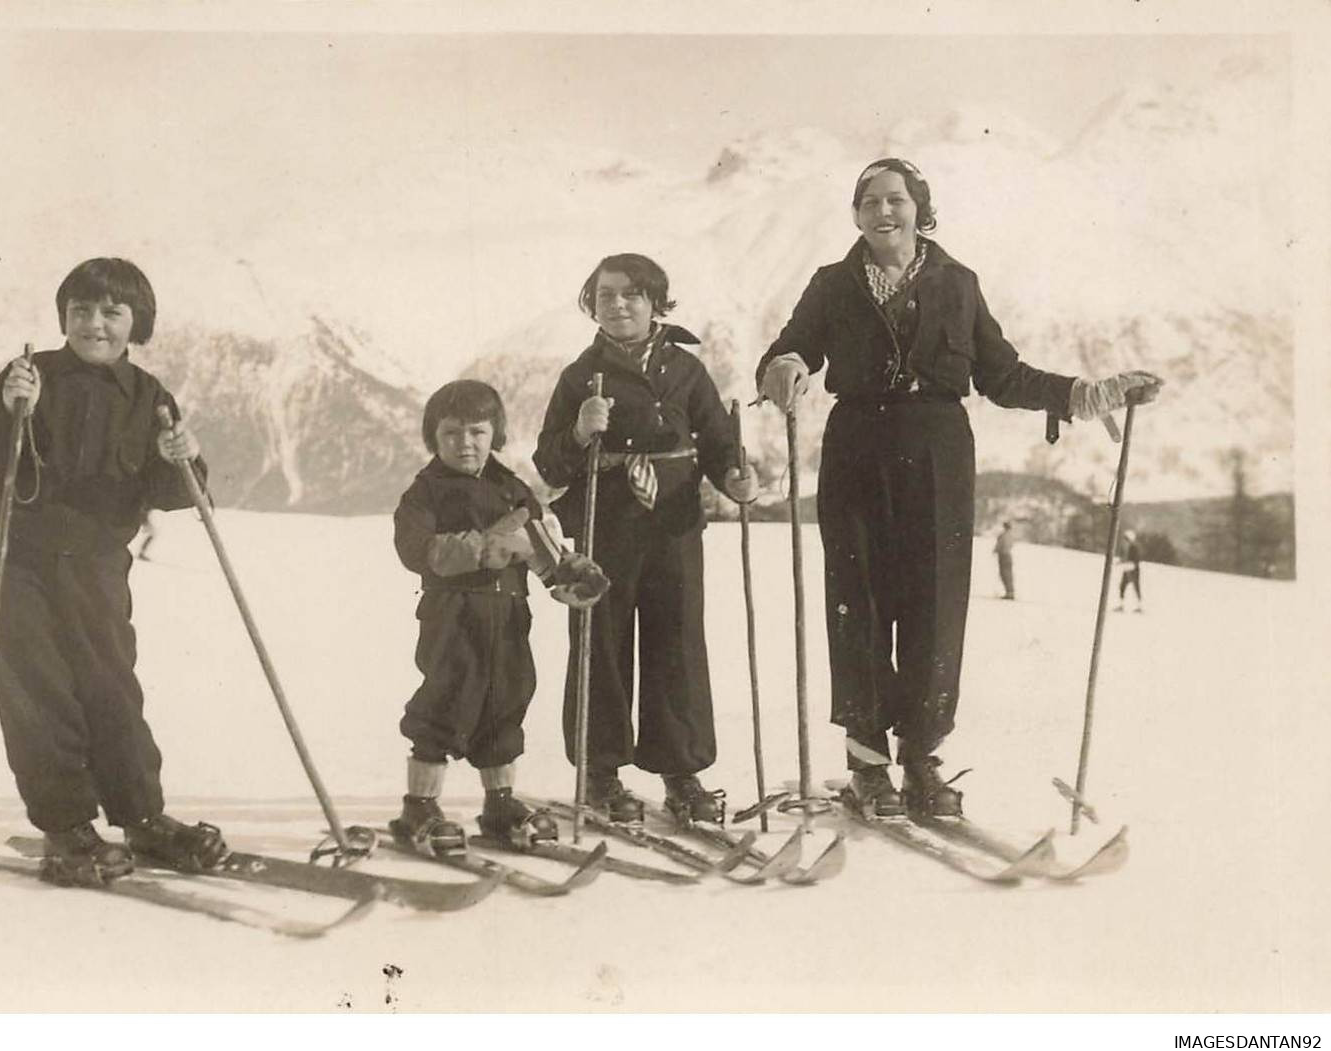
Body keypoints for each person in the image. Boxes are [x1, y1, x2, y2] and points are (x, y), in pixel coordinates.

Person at [756, 158, 1162, 819]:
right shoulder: (831, 283)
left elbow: (1002, 374)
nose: (882, 210)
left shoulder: (957, 282)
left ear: (920, 206)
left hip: (938, 448)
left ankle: (919, 754)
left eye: (896, 199)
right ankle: (865, 761)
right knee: (855, 597)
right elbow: (791, 346)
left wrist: (1086, 394)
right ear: (854, 213)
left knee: (934, 602)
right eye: (868, 201)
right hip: (856, 445)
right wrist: (786, 365)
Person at [0, 257, 228, 885]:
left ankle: (142, 817)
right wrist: (7, 407)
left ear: (138, 323)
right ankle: (67, 828)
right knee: (39, 695)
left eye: (111, 312)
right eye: (80, 310)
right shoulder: (30, 375)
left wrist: (185, 457)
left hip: (99, 569)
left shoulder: (150, 397)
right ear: (63, 317)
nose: (94, 323)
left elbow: (174, 489)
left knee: (112, 690)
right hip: (16, 565)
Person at [534, 253, 758, 825]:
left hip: (674, 523)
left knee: (677, 641)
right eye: (606, 295)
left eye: (632, 294)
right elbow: (550, 464)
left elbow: (717, 440)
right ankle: (600, 772)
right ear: (593, 304)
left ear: (656, 302)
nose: (618, 304)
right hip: (601, 522)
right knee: (600, 643)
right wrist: (581, 430)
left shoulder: (686, 370)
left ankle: (681, 772)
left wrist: (735, 473)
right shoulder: (579, 376)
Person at [391, 379, 608, 853]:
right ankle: (419, 807)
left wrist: (569, 573)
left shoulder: (512, 489)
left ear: (495, 434)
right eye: (450, 434)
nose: (464, 444)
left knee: (506, 699)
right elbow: (416, 550)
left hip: (509, 613)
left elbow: (542, 546)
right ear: (434, 437)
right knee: (448, 697)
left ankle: (500, 802)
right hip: (453, 613)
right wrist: (482, 548)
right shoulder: (425, 492)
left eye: (476, 432)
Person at [1116, 529, 1144, 612]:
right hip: (1128, 569)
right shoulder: (1126, 547)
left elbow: (1136, 560)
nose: (1124, 541)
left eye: (1126, 539)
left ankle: (1139, 606)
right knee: (1123, 587)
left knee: (1135, 588)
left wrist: (1124, 562)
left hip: (1133, 570)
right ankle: (1122, 605)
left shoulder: (1134, 548)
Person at [994, 520, 1018, 600]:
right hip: (1008, 555)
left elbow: (1000, 545)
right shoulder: (1011, 535)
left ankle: (1009, 593)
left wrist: (995, 550)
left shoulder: (1003, 535)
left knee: (1005, 574)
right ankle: (1010, 592)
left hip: (1003, 555)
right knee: (1008, 574)